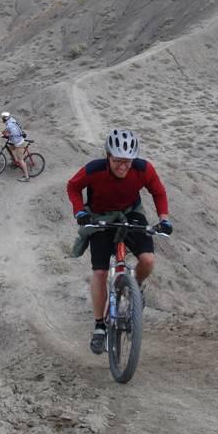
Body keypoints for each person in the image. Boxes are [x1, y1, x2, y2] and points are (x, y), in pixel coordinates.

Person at [66, 128, 173, 354]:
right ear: (108, 156)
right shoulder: (94, 170)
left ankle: (136, 287)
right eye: (117, 161)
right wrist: (80, 213)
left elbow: (159, 192)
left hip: (130, 213)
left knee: (148, 260)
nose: (123, 166)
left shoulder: (143, 169)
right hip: (100, 216)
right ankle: (99, 327)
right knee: (100, 272)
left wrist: (164, 219)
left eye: (128, 161)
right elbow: (73, 187)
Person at [0, 111, 29, 182]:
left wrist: (7, 135)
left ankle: (26, 177)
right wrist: (4, 131)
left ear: (5, 118)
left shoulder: (10, 124)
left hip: (19, 142)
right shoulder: (11, 120)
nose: (2, 119)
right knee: (10, 146)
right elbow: (9, 129)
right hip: (14, 141)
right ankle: (15, 161)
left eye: (3, 118)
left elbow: (15, 133)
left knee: (20, 160)